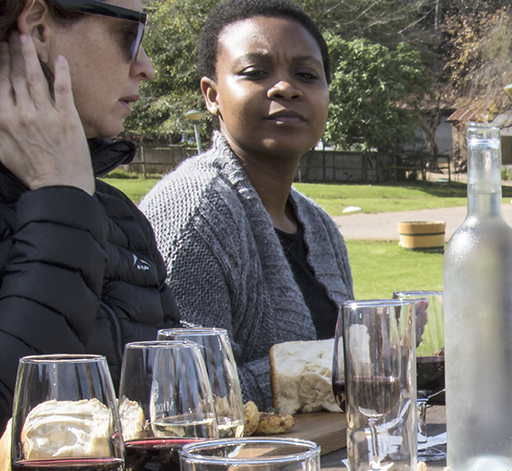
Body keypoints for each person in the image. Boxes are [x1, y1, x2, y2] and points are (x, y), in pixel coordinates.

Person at [141, 0, 352, 408]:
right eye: (255, 72)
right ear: (212, 95)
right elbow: (185, 397)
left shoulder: (319, 226)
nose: (286, 88)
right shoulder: (192, 214)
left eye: (306, 75)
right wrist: (333, 363)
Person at [0, 0, 179, 423]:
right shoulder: (81, 204)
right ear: (39, 30)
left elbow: (181, 405)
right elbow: (15, 427)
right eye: (130, 35)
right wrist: (61, 201)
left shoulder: (118, 214)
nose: (146, 67)